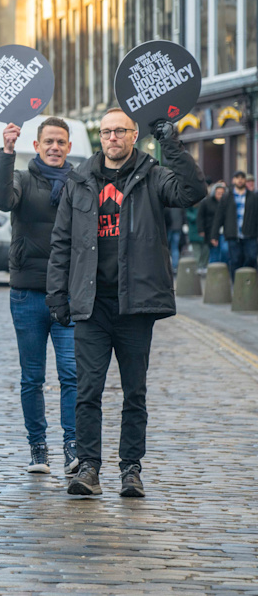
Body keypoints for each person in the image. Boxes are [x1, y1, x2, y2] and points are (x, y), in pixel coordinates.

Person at [47, 110, 206, 498]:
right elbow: (62, 241)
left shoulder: (152, 175)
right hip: (92, 305)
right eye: (106, 131)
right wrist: (56, 294)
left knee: (135, 393)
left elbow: (192, 191)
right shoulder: (80, 179)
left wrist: (171, 143)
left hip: (136, 305)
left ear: (134, 136)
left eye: (119, 131)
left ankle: (131, 470)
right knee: (88, 391)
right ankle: (88, 468)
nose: (112, 137)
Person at [0, 118, 78, 476]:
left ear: (69, 147)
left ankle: (73, 445)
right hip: (27, 293)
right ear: (37, 146)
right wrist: (6, 152)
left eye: (60, 142)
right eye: (48, 142)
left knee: (72, 373)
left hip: (68, 295)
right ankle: (38, 448)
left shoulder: (79, 182)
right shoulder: (23, 180)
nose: (55, 147)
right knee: (32, 377)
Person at [210, 170, 257, 278]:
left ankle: (249, 282)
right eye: (237, 177)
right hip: (233, 234)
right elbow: (219, 216)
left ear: (245, 180)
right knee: (235, 260)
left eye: (242, 178)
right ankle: (236, 285)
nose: (240, 180)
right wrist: (214, 235)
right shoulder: (227, 197)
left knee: (251, 257)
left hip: (250, 234)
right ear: (233, 180)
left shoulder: (253, 197)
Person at [198, 181, 227, 266]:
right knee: (214, 253)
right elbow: (200, 216)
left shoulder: (227, 203)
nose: (220, 195)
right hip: (210, 230)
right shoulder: (206, 202)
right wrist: (201, 229)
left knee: (224, 250)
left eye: (222, 193)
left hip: (224, 231)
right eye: (218, 193)